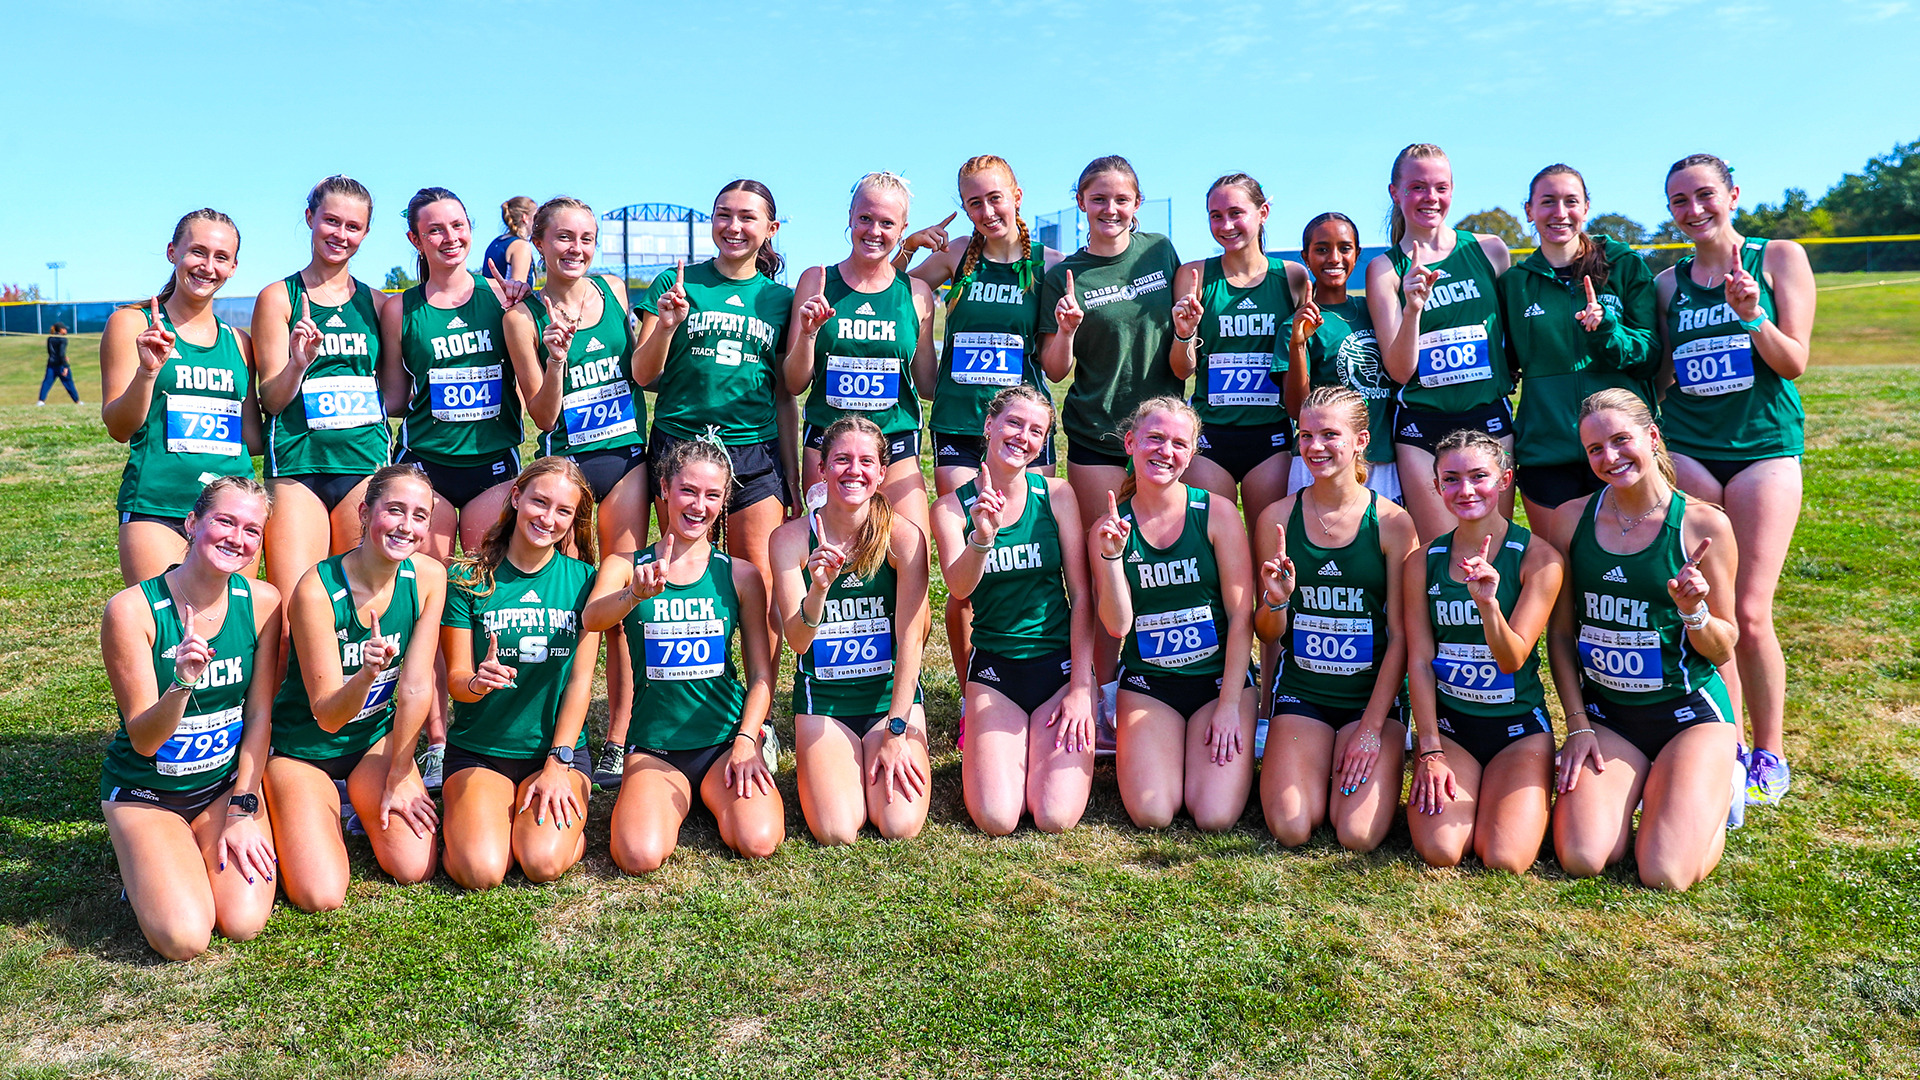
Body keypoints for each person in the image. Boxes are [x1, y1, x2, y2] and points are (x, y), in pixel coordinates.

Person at [1655, 153, 1814, 808]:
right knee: (1706, 612)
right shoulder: (1669, 284)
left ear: (1732, 195)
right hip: (1691, 449)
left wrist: (1752, 315)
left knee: (1749, 613)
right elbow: (1661, 372)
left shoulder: (1778, 258)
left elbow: (1794, 361)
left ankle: (1769, 752)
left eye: (1704, 196)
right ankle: (1731, 744)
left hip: (1763, 451)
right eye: (1679, 202)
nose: (1694, 211)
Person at [631, 179, 798, 781]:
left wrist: (795, 479)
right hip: (680, 447)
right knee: (675, 575)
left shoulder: (777, 299)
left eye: (747, 217)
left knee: (760, 583)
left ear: (770, 230)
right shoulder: (675, 284)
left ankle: (761, 720)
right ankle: (664, 716)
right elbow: (644, 375)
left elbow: (785, 396)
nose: (734, 226)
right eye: (723, 215)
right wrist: (669, 324)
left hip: (752, 453)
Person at [1546, 389, 1741, 891]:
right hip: (1610, 716)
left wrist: (1694, 611)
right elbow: (1562, 633)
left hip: (1689, 714)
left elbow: (1724, 648)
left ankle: (1718, 783)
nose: (1610, 458)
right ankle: (1658, 790)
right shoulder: (1571, 521)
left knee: (1665, 872)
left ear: (1652, 437)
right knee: (1583, 856)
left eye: (1620, 441)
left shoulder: (1702, 524)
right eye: (1595, 449)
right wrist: (1579, 725)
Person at [380, 187, 537, 789]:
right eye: (434, 230)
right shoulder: (400, 309)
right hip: (428, 468)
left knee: (485, 593)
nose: (449, 237)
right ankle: (439, 740)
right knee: (434, 601)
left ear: (473, 231)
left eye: (458, 226)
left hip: (494, 465)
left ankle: (492, 720)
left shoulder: (501, 299)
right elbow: (395, 395)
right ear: (415, 241)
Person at [893, 155, 1063, 696]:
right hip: (961, 426)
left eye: (995, 197)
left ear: (1017, 195)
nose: (986, 211)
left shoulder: (1052, 265)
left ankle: (1045, 671)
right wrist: (908, 249)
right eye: (973, 202)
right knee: (968, 562)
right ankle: (975, 691)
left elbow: (1057, 366)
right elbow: (882, 293)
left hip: (1025, 431)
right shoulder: (954, 260)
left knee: (1035, 551)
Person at [99, 477, 280, 960]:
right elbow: (143, 738)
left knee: (243, 922)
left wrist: (244, 808)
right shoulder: (132, 610)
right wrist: (181, 682)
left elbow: (260, 713)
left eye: (252, 530)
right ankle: (144, 865)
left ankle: (187, 853)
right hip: (147, 792)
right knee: (185, 938)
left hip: (221, 788)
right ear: (193, 522)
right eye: (224, 521)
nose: (236, 539)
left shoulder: (263, 602)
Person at [583, 437, 785, 870]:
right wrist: (634, 594)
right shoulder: (625, 564)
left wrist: (748, 740)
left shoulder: (741, 575)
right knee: (638, 855)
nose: (699, 505)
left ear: (724, 499)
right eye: (688, 491)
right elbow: (593, 618)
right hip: (655, 748)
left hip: (724, 745)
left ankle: (711, 792)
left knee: (758, 840)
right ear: (664, 490)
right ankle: (660, 799)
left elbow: (762, 678)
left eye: (712, 495)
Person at [503, 196, 645, 788]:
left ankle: (619, 737)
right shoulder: (521, 315)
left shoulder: (613, 291)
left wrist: (659, 325)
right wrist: (557, 359)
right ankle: (561, 732)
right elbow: (540, 412)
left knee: (624, 598)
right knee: (579, 606)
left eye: (586, 237)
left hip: (629, 460)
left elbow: (641, 373)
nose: (576, 249)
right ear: (538, 242)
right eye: (563, 238)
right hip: (570, 470)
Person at [1039, 155, 1182, 720]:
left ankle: (1160, 683)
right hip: (1099, 436)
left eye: (1121, 198)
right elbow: (1053, 370)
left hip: (1164, 441)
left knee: (1166, 567)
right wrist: (1068, 331)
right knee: (1107, 570)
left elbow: (1181, 341)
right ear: (1081, 203)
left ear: (1137, 204)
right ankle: (1100, 697)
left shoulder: (1160, 254)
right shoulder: (1066, 276)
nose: (1110, 209)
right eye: (1098, 199)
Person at [263, 466, 444, 910]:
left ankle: (354, 799)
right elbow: (327, 714)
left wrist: (400, 773)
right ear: (365, 512)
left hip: (371, 744)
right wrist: (364, 675)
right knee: (319, 894)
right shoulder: (316, 589)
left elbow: (417, 686)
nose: (406, 526)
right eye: (395, 510)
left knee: (413, 866)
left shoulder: (428, 577)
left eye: (420, 516)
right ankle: (291, 801)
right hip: (304, 748)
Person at [1254, 386, 1416, 851]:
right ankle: (1310, 755)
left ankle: (1351, 748)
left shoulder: (1392, 522)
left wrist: (1370, 729)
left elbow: (1403, 636)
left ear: (1362, 440)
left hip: (1371, 701)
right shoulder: (1277, 519)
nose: (1315, 446)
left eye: (1330, 434)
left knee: (1358, 835)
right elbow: (1266, 633)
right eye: (1305, 435)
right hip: (1304, 693)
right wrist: (1278, 601)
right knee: (1292, 826)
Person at [929, 386, 1097, 834]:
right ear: (989, 426)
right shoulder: (949, 508)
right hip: (996, 670)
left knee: (1054, 816)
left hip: (1057, 668)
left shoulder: (1057, 495)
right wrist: (982, 536)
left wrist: (1082, 686)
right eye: (1014, 423)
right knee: (997, 817)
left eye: (1036, 430)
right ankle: (988, 723)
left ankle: (1041, 738)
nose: (1023, 437)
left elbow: (1081, 595)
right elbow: (959, 588)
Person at [1090, 397, 1256, 831]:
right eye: (1155, 438)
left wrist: (1229, 705)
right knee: (1153, 813)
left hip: (1217, 681)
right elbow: (1117, 625)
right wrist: (1111, 559)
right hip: (1150, 682)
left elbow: (1242, 618)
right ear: (1130, 442)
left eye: (1179, 443)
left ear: (1193, 452)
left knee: (1214, 816)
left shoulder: (1217, 512)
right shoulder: (1108, 527)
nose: (1166, 451)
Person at [1404, 431, 1563, 873]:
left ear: (1505, 480)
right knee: (1441, 851)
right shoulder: (1421, 562)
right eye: (1451, 479)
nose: (1466, 490)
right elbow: (1418, 660)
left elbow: (1512, 659)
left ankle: (1514, 791)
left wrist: (1489, 605)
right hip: (1453, 729)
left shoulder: (1539, 559)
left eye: (1479, 477)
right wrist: (1430, 749)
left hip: (1518, 728)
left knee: (1504, 858)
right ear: (1436, 487)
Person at [438, 458, 600, 890]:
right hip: (481, 750)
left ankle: (556, 835)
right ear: (516, 497)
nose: (548, 518)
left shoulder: (585, 581)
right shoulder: (467, 579)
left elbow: (581, 683)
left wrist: (558, 763)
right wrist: (476, 682)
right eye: (539, 502)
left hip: (556, 753)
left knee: (541, 863)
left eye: (563, 511)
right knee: (481, 871)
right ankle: (478, 819)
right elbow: (456, 680)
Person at [770, 417, 932, 844]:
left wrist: (897, 729)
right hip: (824, 700)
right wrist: (818, 590)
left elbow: (912, 639)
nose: (853, 471)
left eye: (865, 461)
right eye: (841, 460)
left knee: (899, 825)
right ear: (822, 469)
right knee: (837, 830)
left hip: (887, 701)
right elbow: (799, 641)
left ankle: (882, 743)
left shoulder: (904, 537)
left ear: (882, 473)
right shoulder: (789, 540)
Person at [253, 176, 394, 608]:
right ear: (310, 218)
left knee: (359, 604)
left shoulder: (379, 303)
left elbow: (393, 393)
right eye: (331, 221)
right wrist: (298, 363)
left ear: (366, 233)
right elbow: (271, 400)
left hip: (365, 464)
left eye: (353, 226)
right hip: (299, 467)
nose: (341, 234)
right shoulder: (278, 297)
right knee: (295, 607)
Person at [100, 210, 260, 586]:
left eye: (221, 257)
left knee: (229, 635)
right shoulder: (132, 324)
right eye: (197, 252)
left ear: (234, 267)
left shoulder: (240, 342)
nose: (208, 266)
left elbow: (251, 438)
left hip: (232, 513)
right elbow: (119, 427)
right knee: (167, 633)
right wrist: (148, 372)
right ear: (173, 252)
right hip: (158, 508)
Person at [1365, 143, 1515, 542]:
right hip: (1422, 426)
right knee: (1443, 553)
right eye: (1417, 187)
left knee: (1495, 547)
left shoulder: (1490, 251)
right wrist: (1413, 307)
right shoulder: (1385, 270)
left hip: (1489, 420)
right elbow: (1399, 370)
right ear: (1395, 193)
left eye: (1440, 187)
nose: (1430, 198)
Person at [1500, 164, 1659, 526]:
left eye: (1571, 201)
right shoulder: (1514, 284)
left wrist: (1606, 329)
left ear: (1586, 207)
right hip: (1548, 454)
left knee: (1632, 565)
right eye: (1547, 202)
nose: (1560, 213)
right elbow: (1506, 361)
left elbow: (1650, 356)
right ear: (1529, 210)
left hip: (1620, 451)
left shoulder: (1623, 265)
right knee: (1561, 573)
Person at [785, 172, 938, 533]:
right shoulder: (816, 280)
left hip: (893, 442)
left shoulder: (916, 293)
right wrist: (808, 335)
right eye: (865, 219)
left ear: (903, 228)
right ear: (850, 217)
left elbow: (929, 385)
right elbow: (793, 382)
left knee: (911, 545)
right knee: (828, 554)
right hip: (828, 444)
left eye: (887, 222)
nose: (874, 231)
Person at [1170, 173, 1309, 526]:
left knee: (1270, 540)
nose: (1226, 224)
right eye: (1215, 215)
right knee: (1215, 541)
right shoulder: (1194, 276)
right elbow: (1182, 370)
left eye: (1236, 212)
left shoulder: (1293, 277)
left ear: (1263, 212)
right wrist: (1184, 334)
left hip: (1270, 435)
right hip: (1210, 434)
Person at [1284, 213, 1401, 503]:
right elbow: (1296, 408)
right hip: (1322, 459)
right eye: (1321, 249)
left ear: (1357, 254)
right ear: (1306, 257)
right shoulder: (1299, 322)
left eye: (1344, 248)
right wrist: (1299, 344)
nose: (1334, 257)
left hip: (1379, 456)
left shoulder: (1376, 310)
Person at [482, 196, 537, 289]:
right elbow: (517, 293)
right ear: (525, 218)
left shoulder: (497, 242)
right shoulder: (521, 246)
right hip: (505, 302)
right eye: (536, 216)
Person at [39, 322, 79, 405]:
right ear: (61, 330)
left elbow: (51, 352)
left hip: (51, 364)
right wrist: (65, 366)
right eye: (65, 329)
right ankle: (77, 401)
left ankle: (41, 401)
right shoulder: (63, 339)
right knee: (68, 383)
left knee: (47, 382)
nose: (66, 330)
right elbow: (61, 354)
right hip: (60, 365)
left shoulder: (50, 338)